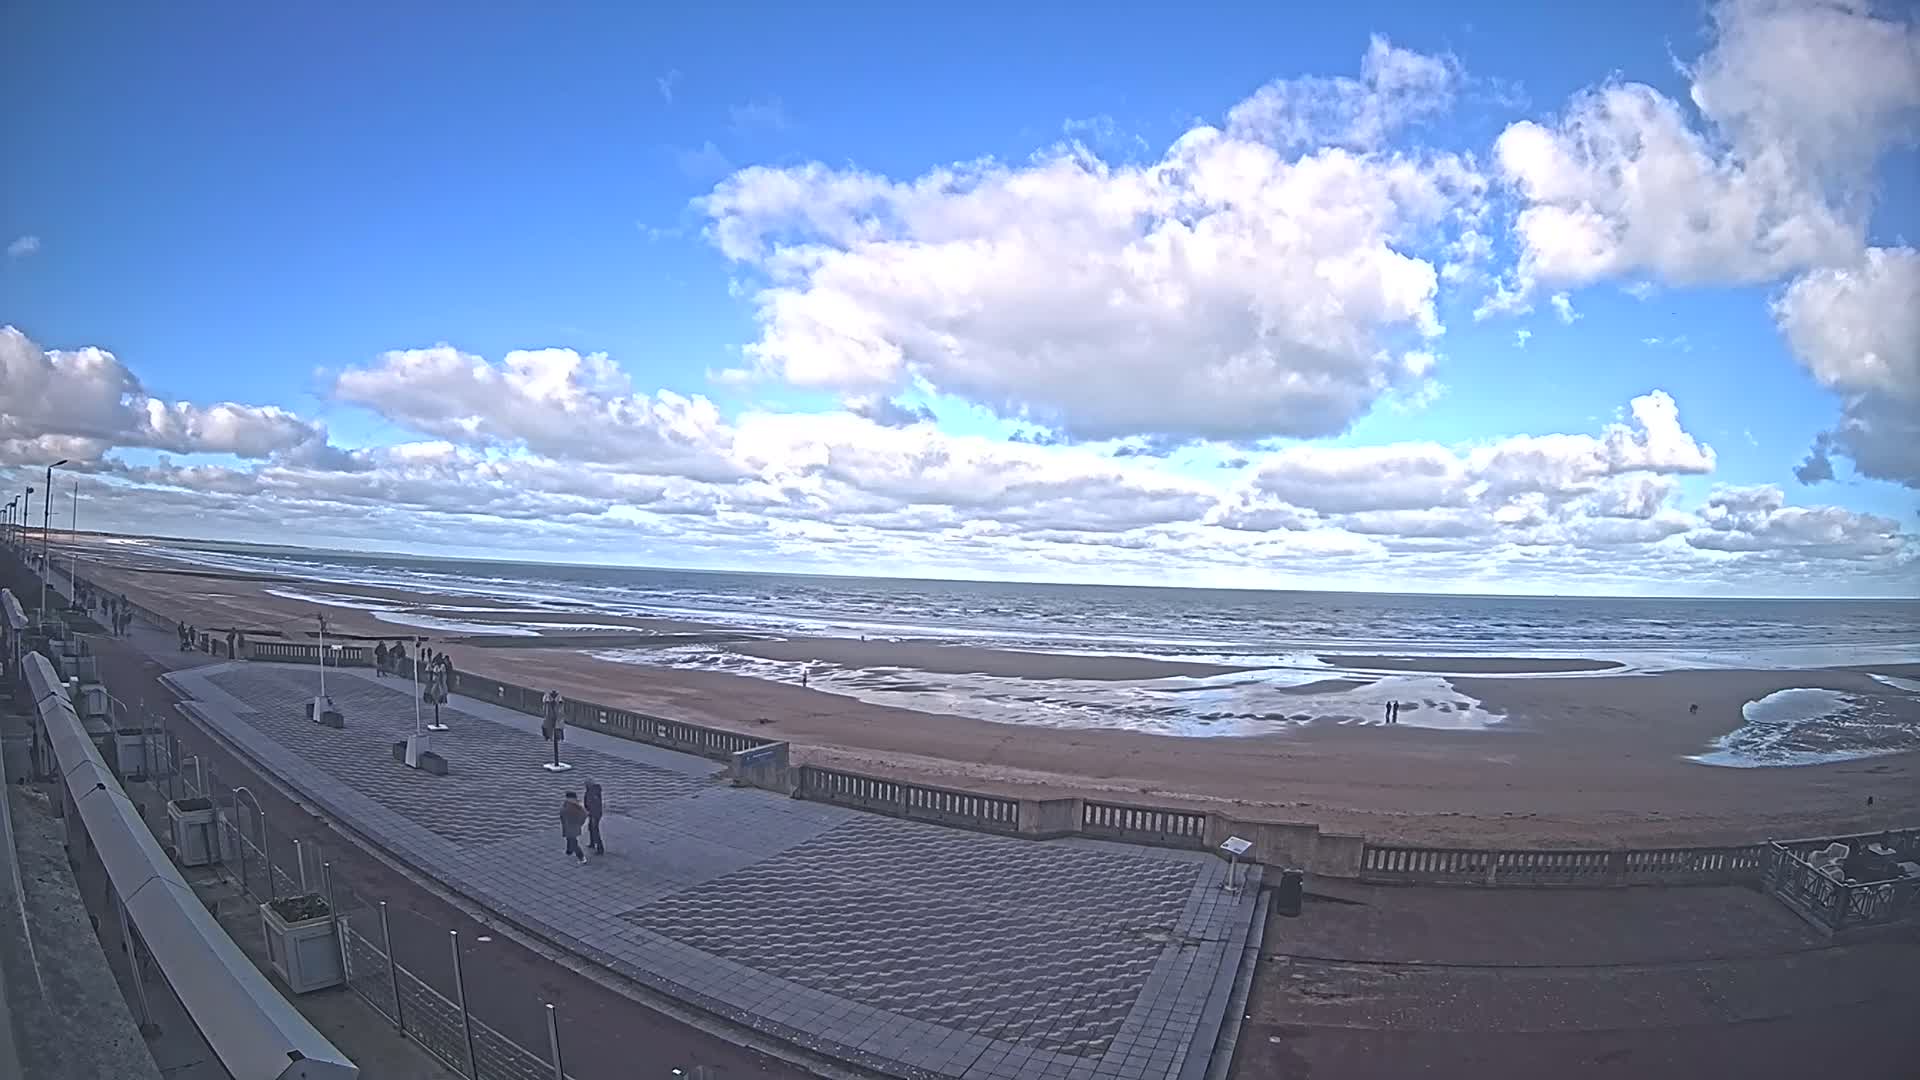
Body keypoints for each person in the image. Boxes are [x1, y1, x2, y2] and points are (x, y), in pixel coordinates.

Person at [559, 792, 588, 864]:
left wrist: (579, 822)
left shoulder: (574, 806)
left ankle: (582, 858)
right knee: (569, 839)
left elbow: (584, 814)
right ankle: (569, 851)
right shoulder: (572, 804)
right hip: (570, 826)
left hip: (571, 826)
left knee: (573, 842)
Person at [583, 780, 605, 855]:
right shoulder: (590, 791)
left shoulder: (594, 793)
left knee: (595, 830)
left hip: (595, 814)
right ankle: (592, 843)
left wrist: (591, 812)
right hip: (592, 813)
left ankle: (600, 848)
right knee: (590, 828)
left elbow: (595, 805)